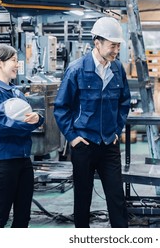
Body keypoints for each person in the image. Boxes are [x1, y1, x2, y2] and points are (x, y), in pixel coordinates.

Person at [54, 16, 131, 228]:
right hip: (84, 144)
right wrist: (72, 137)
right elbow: (61, 107)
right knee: (83, 197)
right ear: (97, 43)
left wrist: (116, 130)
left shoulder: (117, 70)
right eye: (112, 45)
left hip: (109, 144)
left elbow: (124, 103)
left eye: (118, 46)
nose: (116, 50)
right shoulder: (77, 70)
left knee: (116, 197)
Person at [0, 44, 44, 228]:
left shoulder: (15, 91)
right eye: (14, 60)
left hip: (23, 160)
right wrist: (27, 125)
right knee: (0, 217)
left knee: (23, 217)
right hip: (3, 161)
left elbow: (31, 117)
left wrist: (38, 118)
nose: (17, 65)